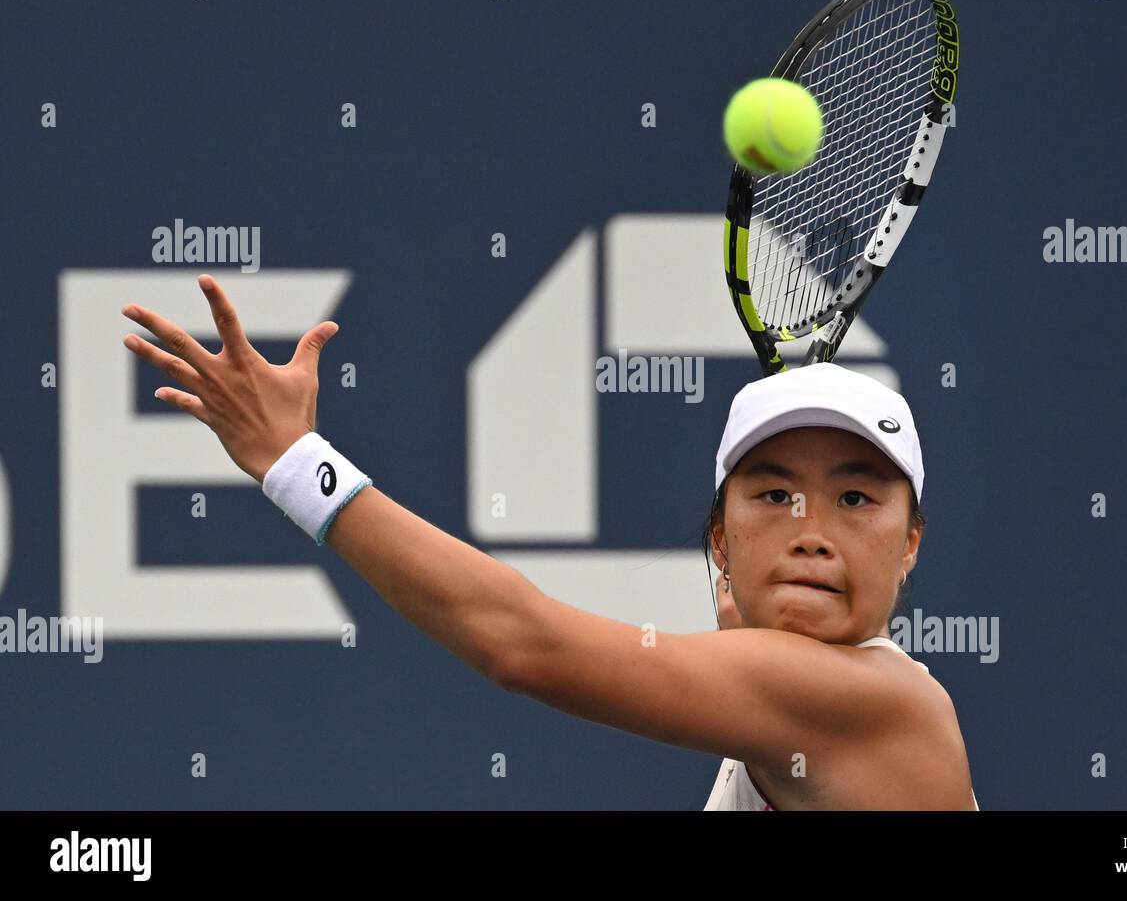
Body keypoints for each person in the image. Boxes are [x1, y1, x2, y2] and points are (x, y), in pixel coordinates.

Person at [120, 273, 978, 810]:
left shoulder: (871, 702)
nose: (811, 532)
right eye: (775, 493)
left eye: (856, 497)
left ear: (910, 544)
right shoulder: (766, 678)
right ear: (721, 538)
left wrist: (297, 465)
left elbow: (523, 643)